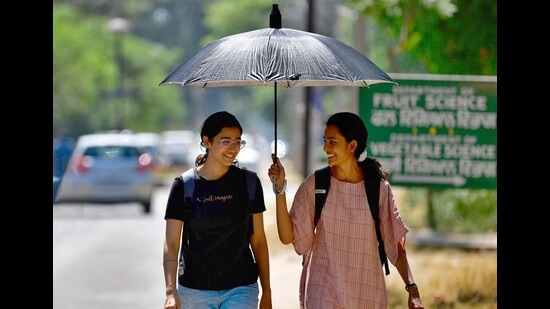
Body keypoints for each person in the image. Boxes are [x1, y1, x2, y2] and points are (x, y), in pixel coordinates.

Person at [268, 112, 424, 309]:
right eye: (325, 141)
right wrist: (279, 189)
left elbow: (395, 245)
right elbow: (287, 237)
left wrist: (412, 289)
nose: (325, 148)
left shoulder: (378, 189)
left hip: (366, 292)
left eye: (332, 141)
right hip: (321, 289)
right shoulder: (316, 184)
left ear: (352, 146)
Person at [163, 111, 272, 309]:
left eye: (238, 141)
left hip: (241, 288)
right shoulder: (184, 186)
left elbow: (258, 241)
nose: (233, 148)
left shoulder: (249, 183)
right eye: (225, 141)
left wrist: (267, 292)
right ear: (206, 141)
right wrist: (171, 292)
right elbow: (171, 243)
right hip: (194, 290)